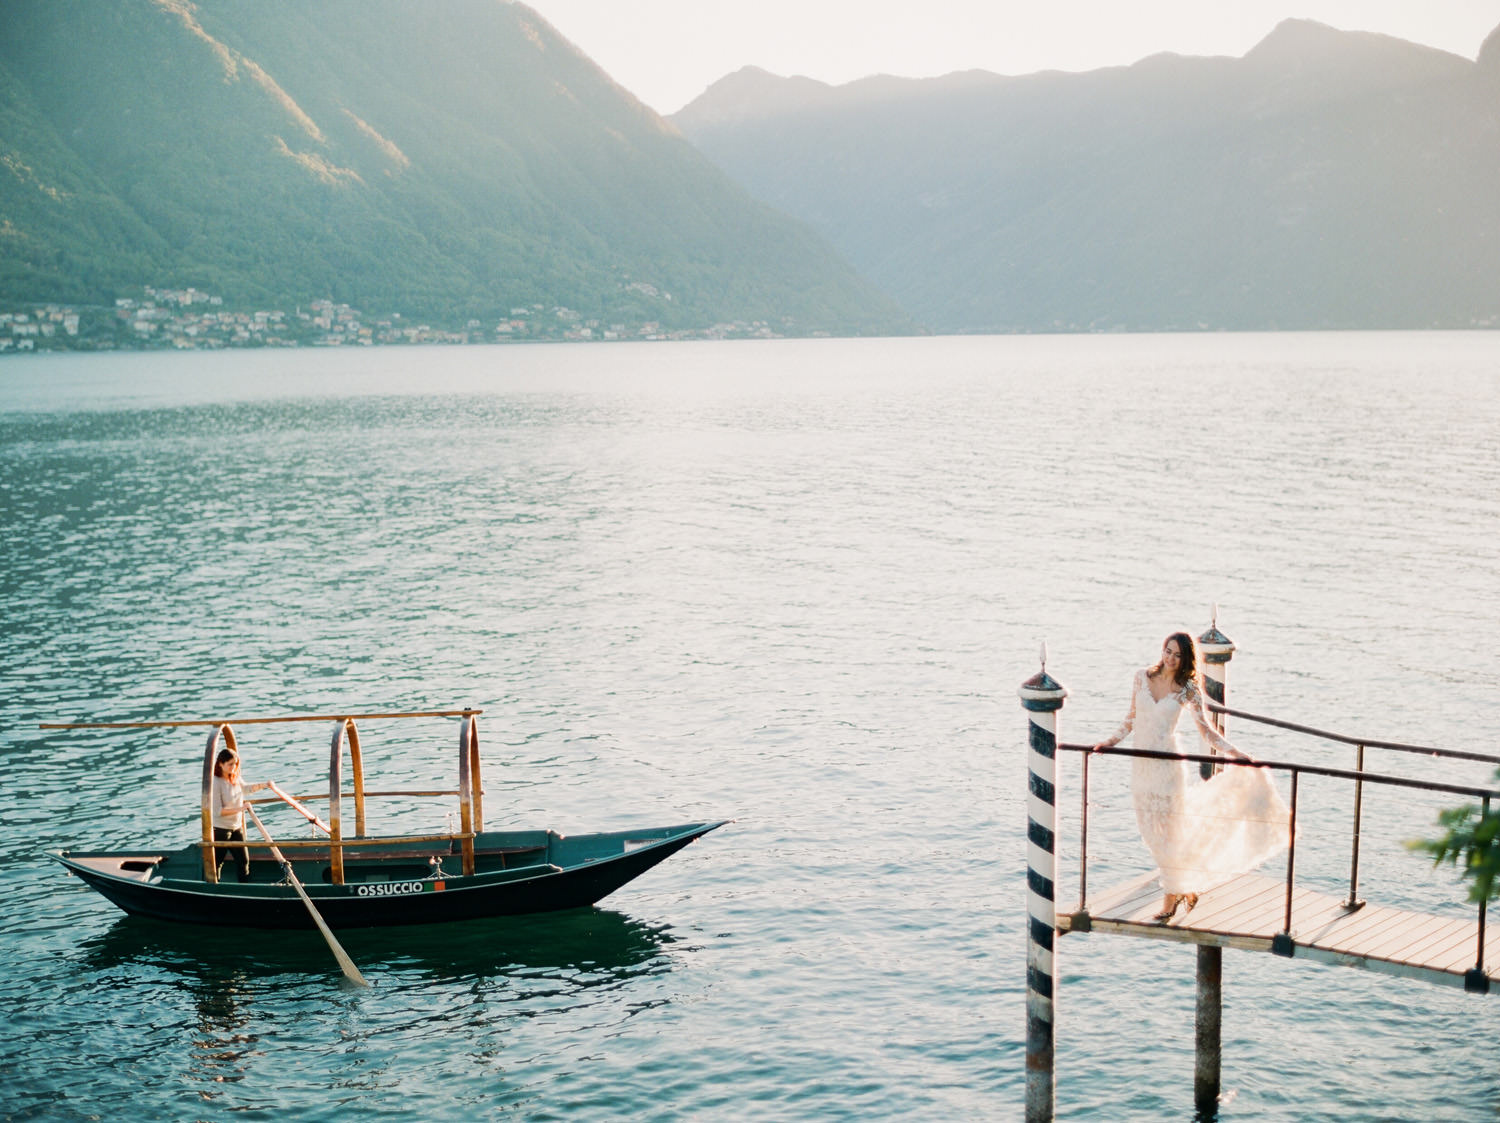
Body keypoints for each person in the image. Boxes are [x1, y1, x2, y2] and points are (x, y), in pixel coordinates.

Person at [1091, 631, 1292, 922]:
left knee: (1169, 835)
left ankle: (1170, 898)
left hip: (1169, 769)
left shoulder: (1188, 690)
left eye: (1177, 655)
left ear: (1186, 660)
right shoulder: (1141, 678)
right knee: (1151, 834)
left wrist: (1237, 754)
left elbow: (1207, 731)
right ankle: (1186, 885)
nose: (1170, 658)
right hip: (1142, 769)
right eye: (1167, 651)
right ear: (1162, 650)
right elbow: (1131, 719)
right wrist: (1109, 742)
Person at [211, 748, 270, 883]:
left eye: (236, 763)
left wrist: (265, 785)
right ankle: (214, 887)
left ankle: (244, 886)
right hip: (221, 829)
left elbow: (246, 789)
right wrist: (241, 808)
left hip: (236, 827)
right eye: (230, 764)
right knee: (217, 862)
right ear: (221, 764)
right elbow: (218, 811)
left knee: (243, 861)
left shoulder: (235, 777)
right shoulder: (216, 782)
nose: (234, 767)